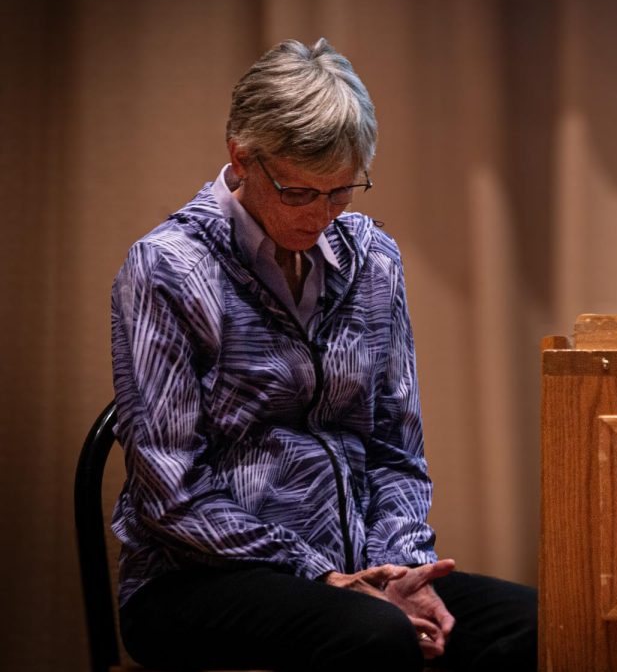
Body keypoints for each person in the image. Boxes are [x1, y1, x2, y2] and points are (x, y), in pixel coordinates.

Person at [110, 39, 537, 671]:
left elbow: (396, 449)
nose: (322, 216)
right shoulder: (170, 267)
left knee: (538, 626)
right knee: (372, 637)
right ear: (242, 158)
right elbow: (171, 495)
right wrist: (321, 575)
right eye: (299, 193)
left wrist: (402, 571)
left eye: (341, 192)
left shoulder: (372, 260)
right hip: (195, 580)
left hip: (357, 577)